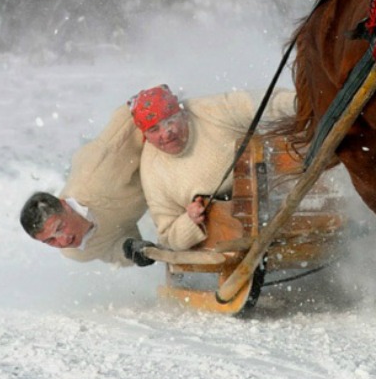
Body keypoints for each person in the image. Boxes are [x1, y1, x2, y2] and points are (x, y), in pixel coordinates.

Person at [124, 84, 295, 263]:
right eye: (154, 130)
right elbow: (168, 236)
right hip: (225, 233)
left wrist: (300, 103)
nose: (166, 133)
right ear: (146, 137)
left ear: (183, 114)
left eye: (170, 121)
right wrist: (189, 221)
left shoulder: (209, 111)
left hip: (276, 188)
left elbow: (264, 104)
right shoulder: (152, 170)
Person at [20, 105, 146, 266]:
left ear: (65, 206)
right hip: (149, 194)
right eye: (50, 241)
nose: (63, 241)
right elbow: (110, 248)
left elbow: (131, 116)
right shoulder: (76, 251)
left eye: (59, 228)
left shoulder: (97, 173)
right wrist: (130, 251)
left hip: (159, 153)